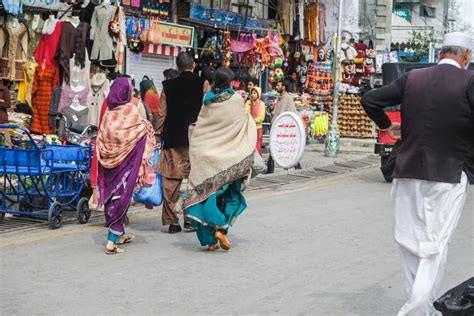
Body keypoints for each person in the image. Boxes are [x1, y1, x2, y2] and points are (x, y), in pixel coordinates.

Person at [361, 32, 474, 316]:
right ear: (466, 57)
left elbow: (371, 99)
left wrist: (387, 125)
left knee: (410, 244)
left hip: (407, 171)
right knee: (434, 246)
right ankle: (415, 310)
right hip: (449, 173)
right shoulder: (469, 81)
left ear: (440, 54)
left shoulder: (413, 78)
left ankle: (423, 308)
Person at [183, 67, 257, 251]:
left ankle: (210, 241)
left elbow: (201, 128)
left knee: (205, 195)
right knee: (231, 195)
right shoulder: (234, 100)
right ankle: (221, 229)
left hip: (206, 157)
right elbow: (243, 123)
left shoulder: (207, 101)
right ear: (231, 82)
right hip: (227, 159)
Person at [96, 77, 156, 255]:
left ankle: (119, 235)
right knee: (121, 200)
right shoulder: (130, 109)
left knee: (111, 198)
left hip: (108, 164)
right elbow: (137, 133)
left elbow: (105, 135)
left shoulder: (108, 112)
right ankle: (111, 242)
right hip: (125, 166)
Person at [156, 52, 208, 234]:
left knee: (171, 181)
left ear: (177, 67)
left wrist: (156, 135)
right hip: (196, 140)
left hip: (173, 139)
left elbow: (162, 114)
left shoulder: (167, 86)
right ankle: (191, 219)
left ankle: (172, 222)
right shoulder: (202, 83)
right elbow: (208, 111)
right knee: (194, 181)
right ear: (193, 65)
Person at [245, 87, 265, 154]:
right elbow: (246, 113)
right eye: (252, 93)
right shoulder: (248, 102)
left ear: (258, 94)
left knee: (258, 146)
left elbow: (262, 117)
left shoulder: (261, 104)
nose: (252, 95)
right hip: (250, 127)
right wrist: (249, 104)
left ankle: (258, 162)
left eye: (254, 93)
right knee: (249, 146)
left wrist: (253, 120)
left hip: (258, 128)